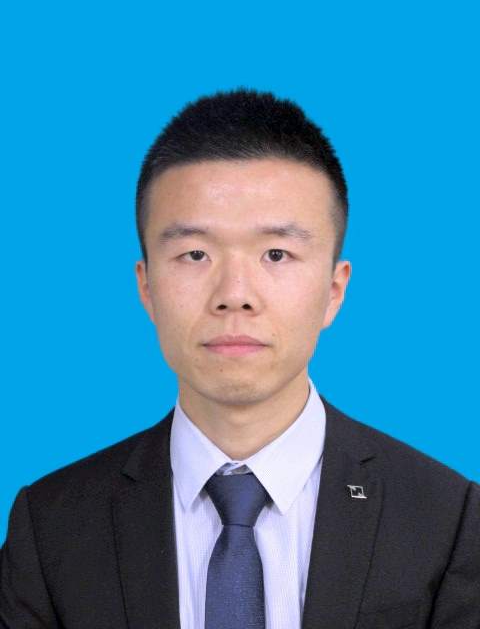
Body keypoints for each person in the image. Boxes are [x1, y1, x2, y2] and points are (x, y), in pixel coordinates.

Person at [0, 89, 479, 629]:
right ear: (147, 287)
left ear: (334, 290)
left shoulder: (448, 518)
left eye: (276, 253)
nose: (234, 295)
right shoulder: (51, 526)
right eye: (195, 254)